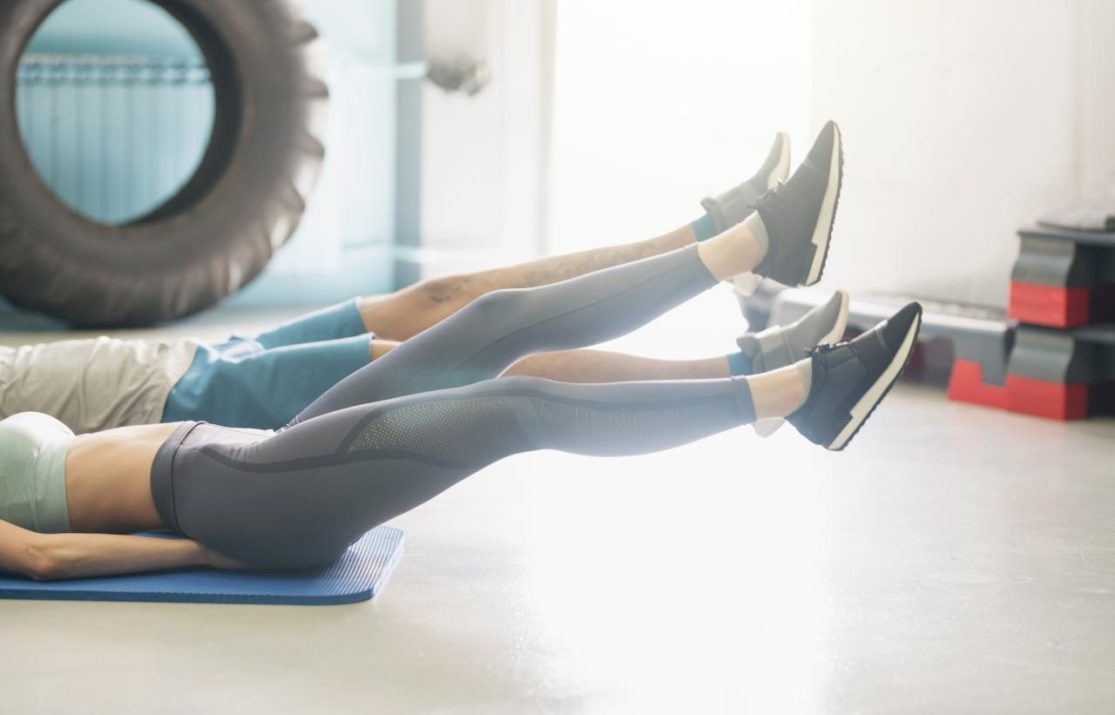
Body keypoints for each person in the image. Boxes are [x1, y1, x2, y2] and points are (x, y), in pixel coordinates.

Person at [0, 122, 923, 581]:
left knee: (485, 325)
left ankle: (748, 246)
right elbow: (41, 558)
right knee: (518, 407)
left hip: (232, 454)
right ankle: (794, 394)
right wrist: (209, 551)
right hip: (234, 498)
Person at [0, 133, 844, 435]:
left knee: (444, 300)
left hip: (183, 360)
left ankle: (712, 237)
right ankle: (764, 379)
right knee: (484, 363)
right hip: (183, 405)